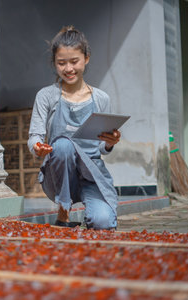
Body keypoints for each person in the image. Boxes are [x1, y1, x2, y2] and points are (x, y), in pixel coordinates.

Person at [27, 26, 121, 230]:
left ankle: (94, 211)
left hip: (91, 173)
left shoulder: (101, 98)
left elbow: (102, 149)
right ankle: (63, 212)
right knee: (62, 145)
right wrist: (37, 146)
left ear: (86, 58)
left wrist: (109, 143)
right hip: (59, 171)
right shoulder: (46, 96)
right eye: (61, 63)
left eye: (74, 61)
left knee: (102, 223)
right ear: (54, 63)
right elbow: (35, 135)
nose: (68, 69)